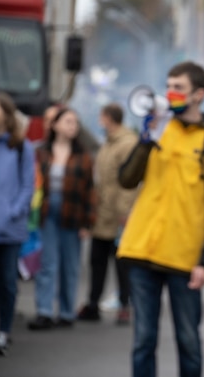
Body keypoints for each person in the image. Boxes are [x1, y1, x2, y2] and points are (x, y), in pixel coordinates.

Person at [117, 61, 204, 377]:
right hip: (140, 250)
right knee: (143, 340)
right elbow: (126, 179)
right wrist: (145, 140)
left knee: (188, 341)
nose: (170, 93)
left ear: (199, 94)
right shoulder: (157, 129)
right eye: (168, 86)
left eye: (178, 87)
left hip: (185, 259)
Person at [28, 108, 95, 330]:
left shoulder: (83, 156)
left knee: (70, 264)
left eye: (75, 123)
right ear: (55, 125)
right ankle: (44, 311)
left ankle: (67, 312)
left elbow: (90, 191)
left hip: (73, 212)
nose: (72, 126)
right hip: (47, 212)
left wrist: (87, 222)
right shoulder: (41, 152)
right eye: (67, 122)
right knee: (47, 263)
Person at [77, 103, 138, 325]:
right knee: (97, 261)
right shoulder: (108, 143)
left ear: (108, 118)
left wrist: (125, 211)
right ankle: (93, 303)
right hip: (101, 215)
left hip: (118, 216)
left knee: (122, 264)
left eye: (102, 116)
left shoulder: (127, 143)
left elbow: (130, 182)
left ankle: (124, 305)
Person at [0, 92, 35, 355]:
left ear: (6, 113)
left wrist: (13, 211)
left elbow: (27, 185)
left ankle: (4, 330)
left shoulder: (21, 146)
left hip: (9, 229)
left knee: (7, 282)